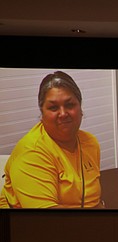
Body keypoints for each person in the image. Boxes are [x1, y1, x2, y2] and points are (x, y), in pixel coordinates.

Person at [0, 71, 102, 208]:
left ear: (80, 108)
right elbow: (48, 219)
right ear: (42, 114)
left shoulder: (90, 142)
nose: (63, 113)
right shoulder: (31, 152)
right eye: (53, 108)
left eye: (70, 105)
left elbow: (94, 199)